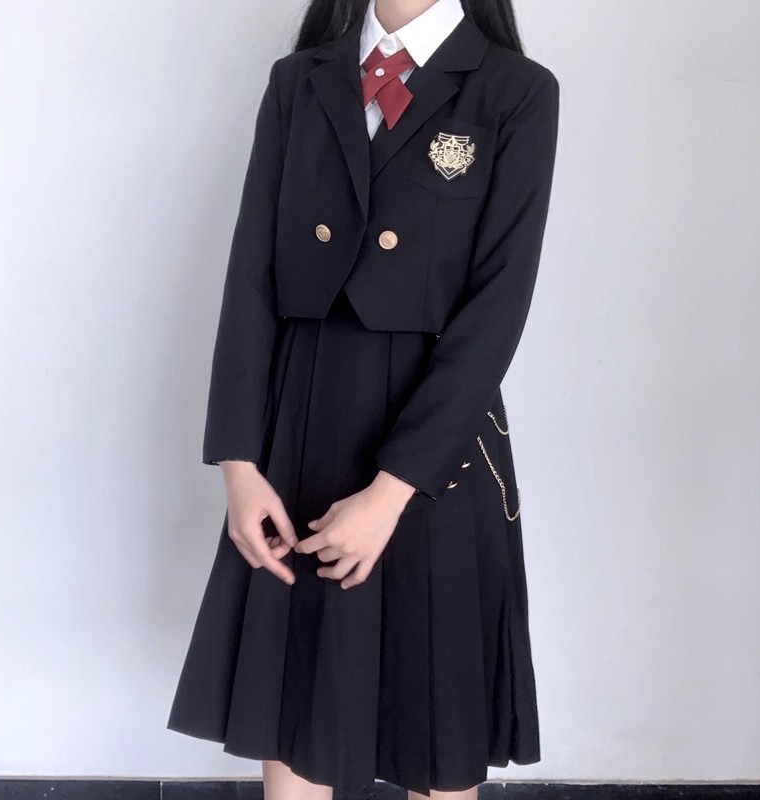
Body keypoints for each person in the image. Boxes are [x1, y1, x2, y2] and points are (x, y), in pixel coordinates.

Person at [166, 0, 560, 797]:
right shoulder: (300, 81)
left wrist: (391, 493)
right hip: (300, 428)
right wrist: (239, 464)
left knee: (437, 720)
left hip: (436, 444)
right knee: (297, 713)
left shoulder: (516, 91)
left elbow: (497, 308)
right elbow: (251, 278)